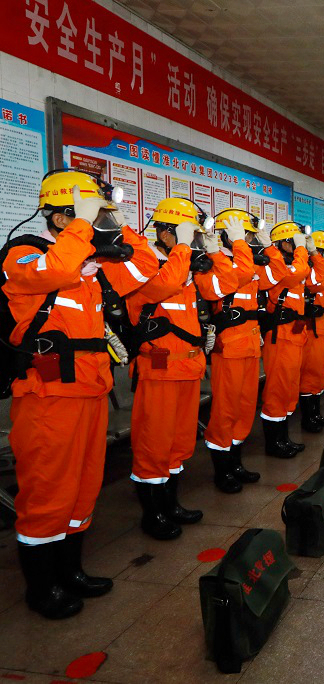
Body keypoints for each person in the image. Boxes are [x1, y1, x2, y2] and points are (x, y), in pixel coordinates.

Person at [3, 169, 158, 618]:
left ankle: (70, 571)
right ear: (60, 217)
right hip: (48, 397)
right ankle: (42, 587)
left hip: (91, 391)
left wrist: (119, 221)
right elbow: (55, 270)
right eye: (85, 215)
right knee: (48, 490)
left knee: (83, 487)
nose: (94, 224)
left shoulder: (90, 268)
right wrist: (82, 225)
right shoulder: (23, 255)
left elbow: (144, 268)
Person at [128, 198, 238, 540]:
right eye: (185, 233)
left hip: (188, 368)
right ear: (165, 233)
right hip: (159, 369)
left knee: (178, 442)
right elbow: (162, 286)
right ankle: (152, 514)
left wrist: (215, 250)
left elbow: (225, 285)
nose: (190, 241)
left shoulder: (185, 266)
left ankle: (170, 503)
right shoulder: (145, 263)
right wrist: (183, 251)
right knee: (154, 442)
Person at [203, 209, 279, 492]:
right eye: (243, 235)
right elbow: (236, 278)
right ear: (227, 236)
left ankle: (235, 462)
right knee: (226, 408)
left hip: (250, 344)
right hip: (230, 348)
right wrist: (232, 247)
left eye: (247, 236)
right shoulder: (213, 263)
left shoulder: (243, 260)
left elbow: (277, 275)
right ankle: (221, 470)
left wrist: (268, 245)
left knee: (245, 407)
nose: (247, 240)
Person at [259, 221, 310, 457]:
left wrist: (304, 250)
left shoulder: (294, 265)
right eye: (292, 241)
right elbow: (295, 274)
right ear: (281, 244)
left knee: (289, 388)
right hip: (280, 337)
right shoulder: (275, 266)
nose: (296, 246)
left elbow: (305, 273)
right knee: (277, 389)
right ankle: (273, 443)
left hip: (294, 335)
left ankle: (284, 438)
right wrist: (302, 249)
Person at [298, 230, 324, 433]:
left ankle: (316, 413)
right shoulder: (311, 269)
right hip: (313, 329)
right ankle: (308, 417)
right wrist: (321, 258)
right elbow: (320, 282)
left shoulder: (322, 268)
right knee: (310, 373)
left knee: (321, 372)